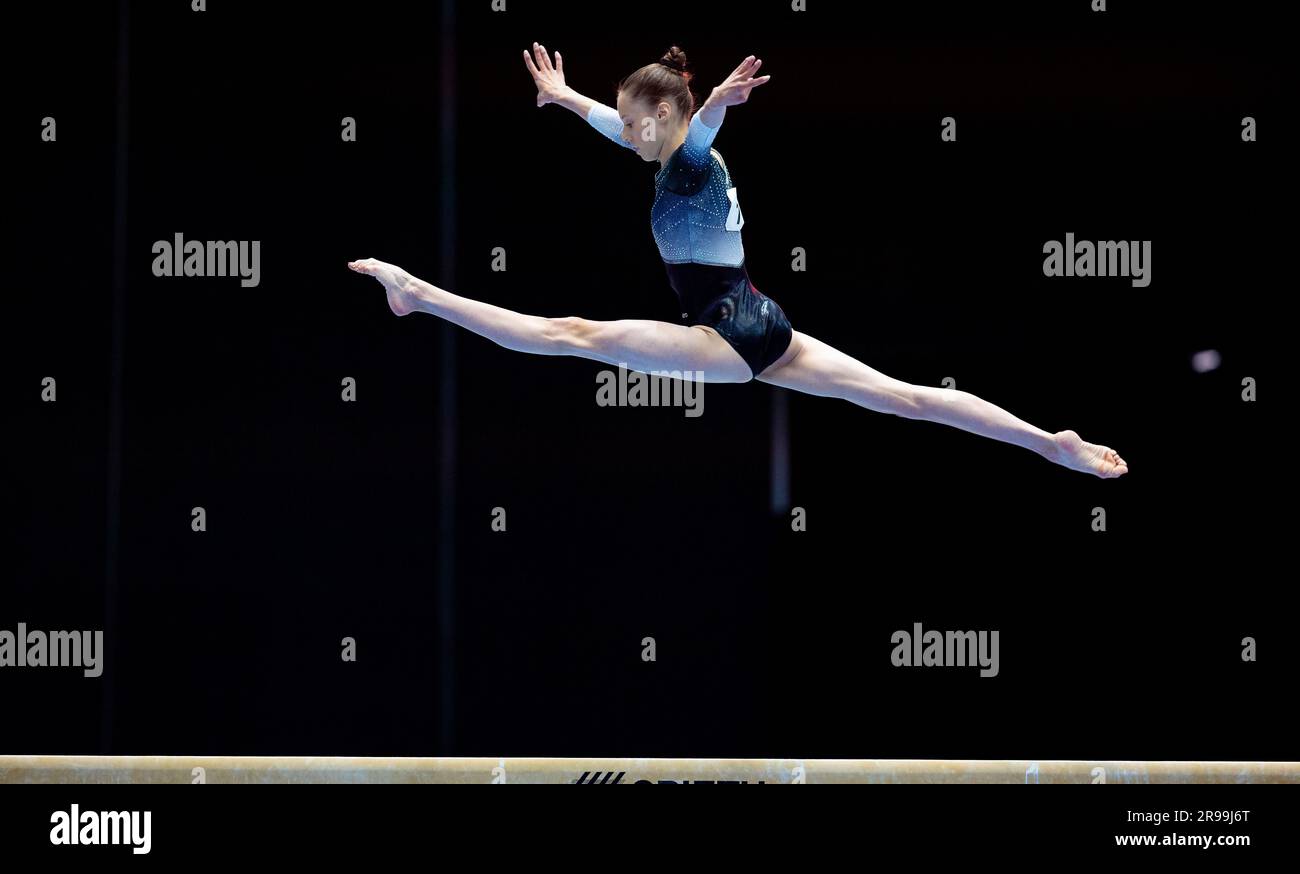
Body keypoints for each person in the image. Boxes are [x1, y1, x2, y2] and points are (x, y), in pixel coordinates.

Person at [348, 44, 1128, 478]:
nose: (625, 133)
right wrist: (565, 96)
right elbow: (622, 127)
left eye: (635, 122)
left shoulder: (689, 158)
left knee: (569, 335)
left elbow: (699, 131)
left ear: (664, 115)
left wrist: (718, 100)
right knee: (906, 399)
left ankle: (418, 294)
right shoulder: (664, 149)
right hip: (760, 319)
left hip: (723, 332)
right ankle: (1049, 443)